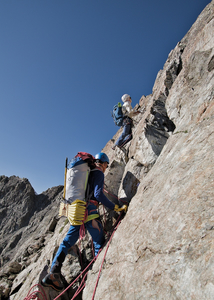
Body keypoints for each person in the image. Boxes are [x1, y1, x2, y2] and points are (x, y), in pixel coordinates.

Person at [42, 152, 126, 291]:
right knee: (99, 241)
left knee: (67, 242)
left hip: (77, 210)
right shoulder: (98, 172)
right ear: (104, 163)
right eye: (106, 164)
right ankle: (101, 276)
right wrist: (114, 207)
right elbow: (98, 194)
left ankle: (53, 272)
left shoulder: (86, 171)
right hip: (90, 212)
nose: (106, 167)